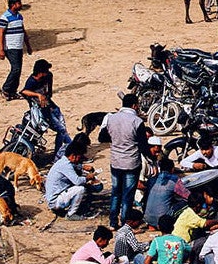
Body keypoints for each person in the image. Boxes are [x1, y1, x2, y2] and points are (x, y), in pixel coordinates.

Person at [100, 92, 145, 226]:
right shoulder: (137, 122)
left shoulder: (111, 118)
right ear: (134, 106)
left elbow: (102, 137)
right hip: (131, 163)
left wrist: (116, 140)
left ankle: (113, 222)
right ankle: (125, 222)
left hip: (115, 162)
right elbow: (143, 146)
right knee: (127, 196)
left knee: (115, 193)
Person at [21, 59, 71, 156]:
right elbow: (24, 91)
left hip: (49, 106)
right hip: (40, 110)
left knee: (62, 129)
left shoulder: (48, 76)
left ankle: (64, 151)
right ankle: (64, 152)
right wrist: (38, 95)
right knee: (61, 130)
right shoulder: (32, 81)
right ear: (40, 72)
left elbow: (49, 92)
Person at [45, 136, 95, 217]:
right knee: (80, 189)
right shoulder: (66, 165)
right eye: (79, 156)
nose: (79, 159)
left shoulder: (64, 161)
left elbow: (76, 167)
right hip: (54, 201)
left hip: (55, 196)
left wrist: (82, 167)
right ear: (73, 155)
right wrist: (88, 177)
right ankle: (71, 214)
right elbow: (77, 181)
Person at [0, 0, 27, 100]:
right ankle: (6, 88)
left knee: (18, 70)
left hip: (18, 47)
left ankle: (12, 92)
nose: (21, 5)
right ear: (13, 5)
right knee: (16, 69)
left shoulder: (19, 16)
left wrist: (28, 45)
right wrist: (1, 49)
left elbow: (23, 30)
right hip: (10, 47)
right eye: (19, 3)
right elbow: (1, 34)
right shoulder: (5, 17)